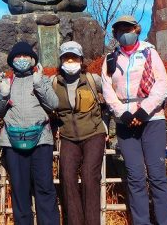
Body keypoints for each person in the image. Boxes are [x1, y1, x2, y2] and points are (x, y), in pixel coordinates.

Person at [101, 15, 167, 225]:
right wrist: (122, 113)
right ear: (115, 34)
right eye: (120, 30)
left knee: (157, 174)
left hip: (152, 119)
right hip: (124, 122)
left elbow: (161, 85)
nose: (125, 33)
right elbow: (107, 89)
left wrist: (143, 112)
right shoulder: (110, 59)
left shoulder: (149, 53)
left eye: (128, 29)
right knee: (135, 176)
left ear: (137, 30)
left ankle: (164, 221)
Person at [0, 41, 60, 225]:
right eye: (18, 56)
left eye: (26, 56)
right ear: (11, 60)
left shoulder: (42, 79)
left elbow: (53, 104)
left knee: (45, 188)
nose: (22, 59)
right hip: (13, 142)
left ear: (33, 60)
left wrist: (39, 84)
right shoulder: (7, 81)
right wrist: (3, 94)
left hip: (41, 140)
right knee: (19, 190)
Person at [52, 41, 106, 225]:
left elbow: (112, 96)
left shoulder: (92, 79)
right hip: (68, 136)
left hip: (93, 133)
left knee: (90, 176)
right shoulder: (55, 82)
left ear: (81, 60)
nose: (70, 61)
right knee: (67, 177)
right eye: (66, 58)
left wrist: (109, 125)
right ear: (61, 61)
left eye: (74, 57)